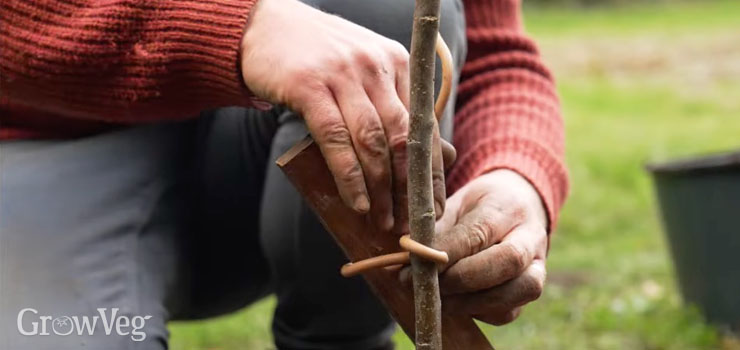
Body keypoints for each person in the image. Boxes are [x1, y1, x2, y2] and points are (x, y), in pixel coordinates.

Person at [0, 0, 569, 348]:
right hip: (44, 141)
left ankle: (340, 341)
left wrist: (513, 172)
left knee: (389, 10)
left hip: (257, 152)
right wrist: (237, 25)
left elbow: (493, 50)